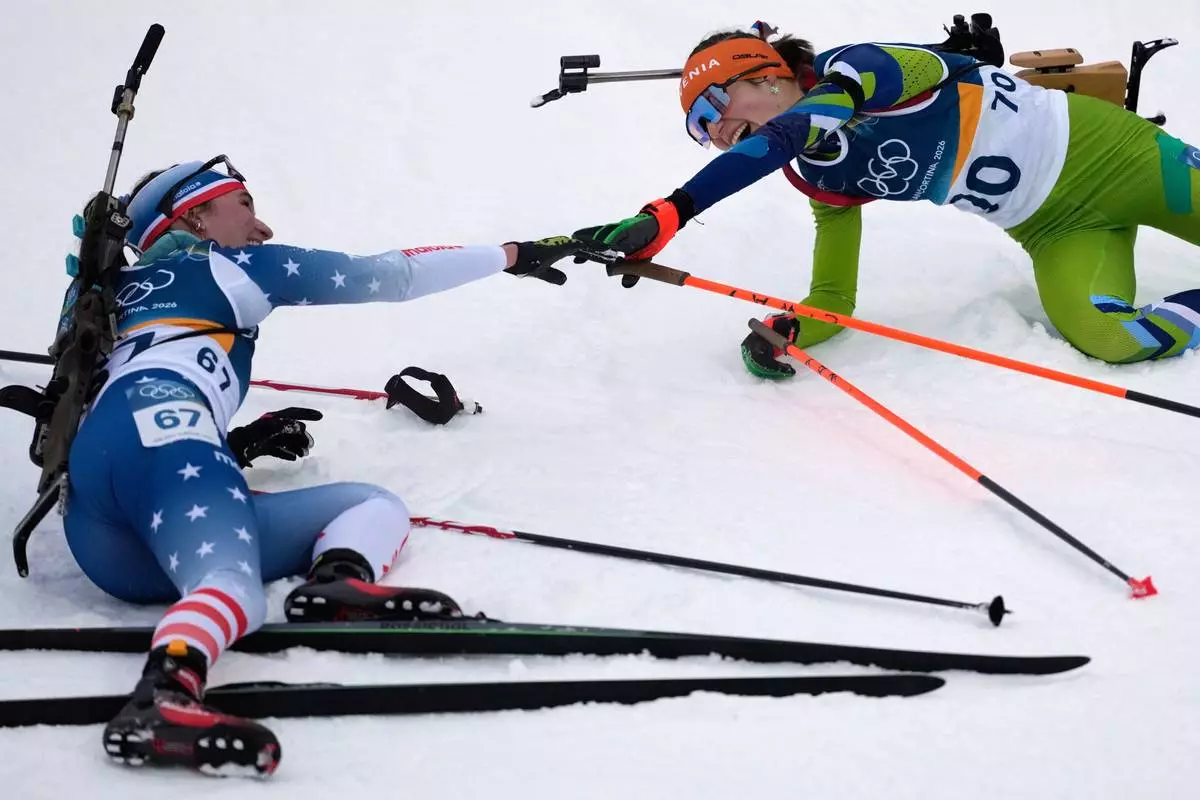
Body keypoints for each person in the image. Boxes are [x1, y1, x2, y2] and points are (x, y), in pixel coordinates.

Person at [62, 156, 585, 776]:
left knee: (368, 505)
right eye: (245, 205)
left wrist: (233, 446)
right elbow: (393, 275)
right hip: (166, 431)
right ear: (196, 216)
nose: (262, 228)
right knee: (229, 584)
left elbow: (123, 429)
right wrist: (512, 253)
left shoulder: (102, 296)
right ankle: (162, 696)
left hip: (103, 538)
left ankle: (337, 585)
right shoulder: (226, 265)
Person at [573, 22, 1200, 378]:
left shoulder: (861, 69)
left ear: (765, 74)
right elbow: (833, 298)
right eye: (698, 131)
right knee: (1107, 339)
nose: (713, 134)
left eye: (711, 109)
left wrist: (674, 210)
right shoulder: (815, 174)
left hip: (1119, 159)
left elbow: (799, 128)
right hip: (1054, 228)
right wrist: (789, 330)